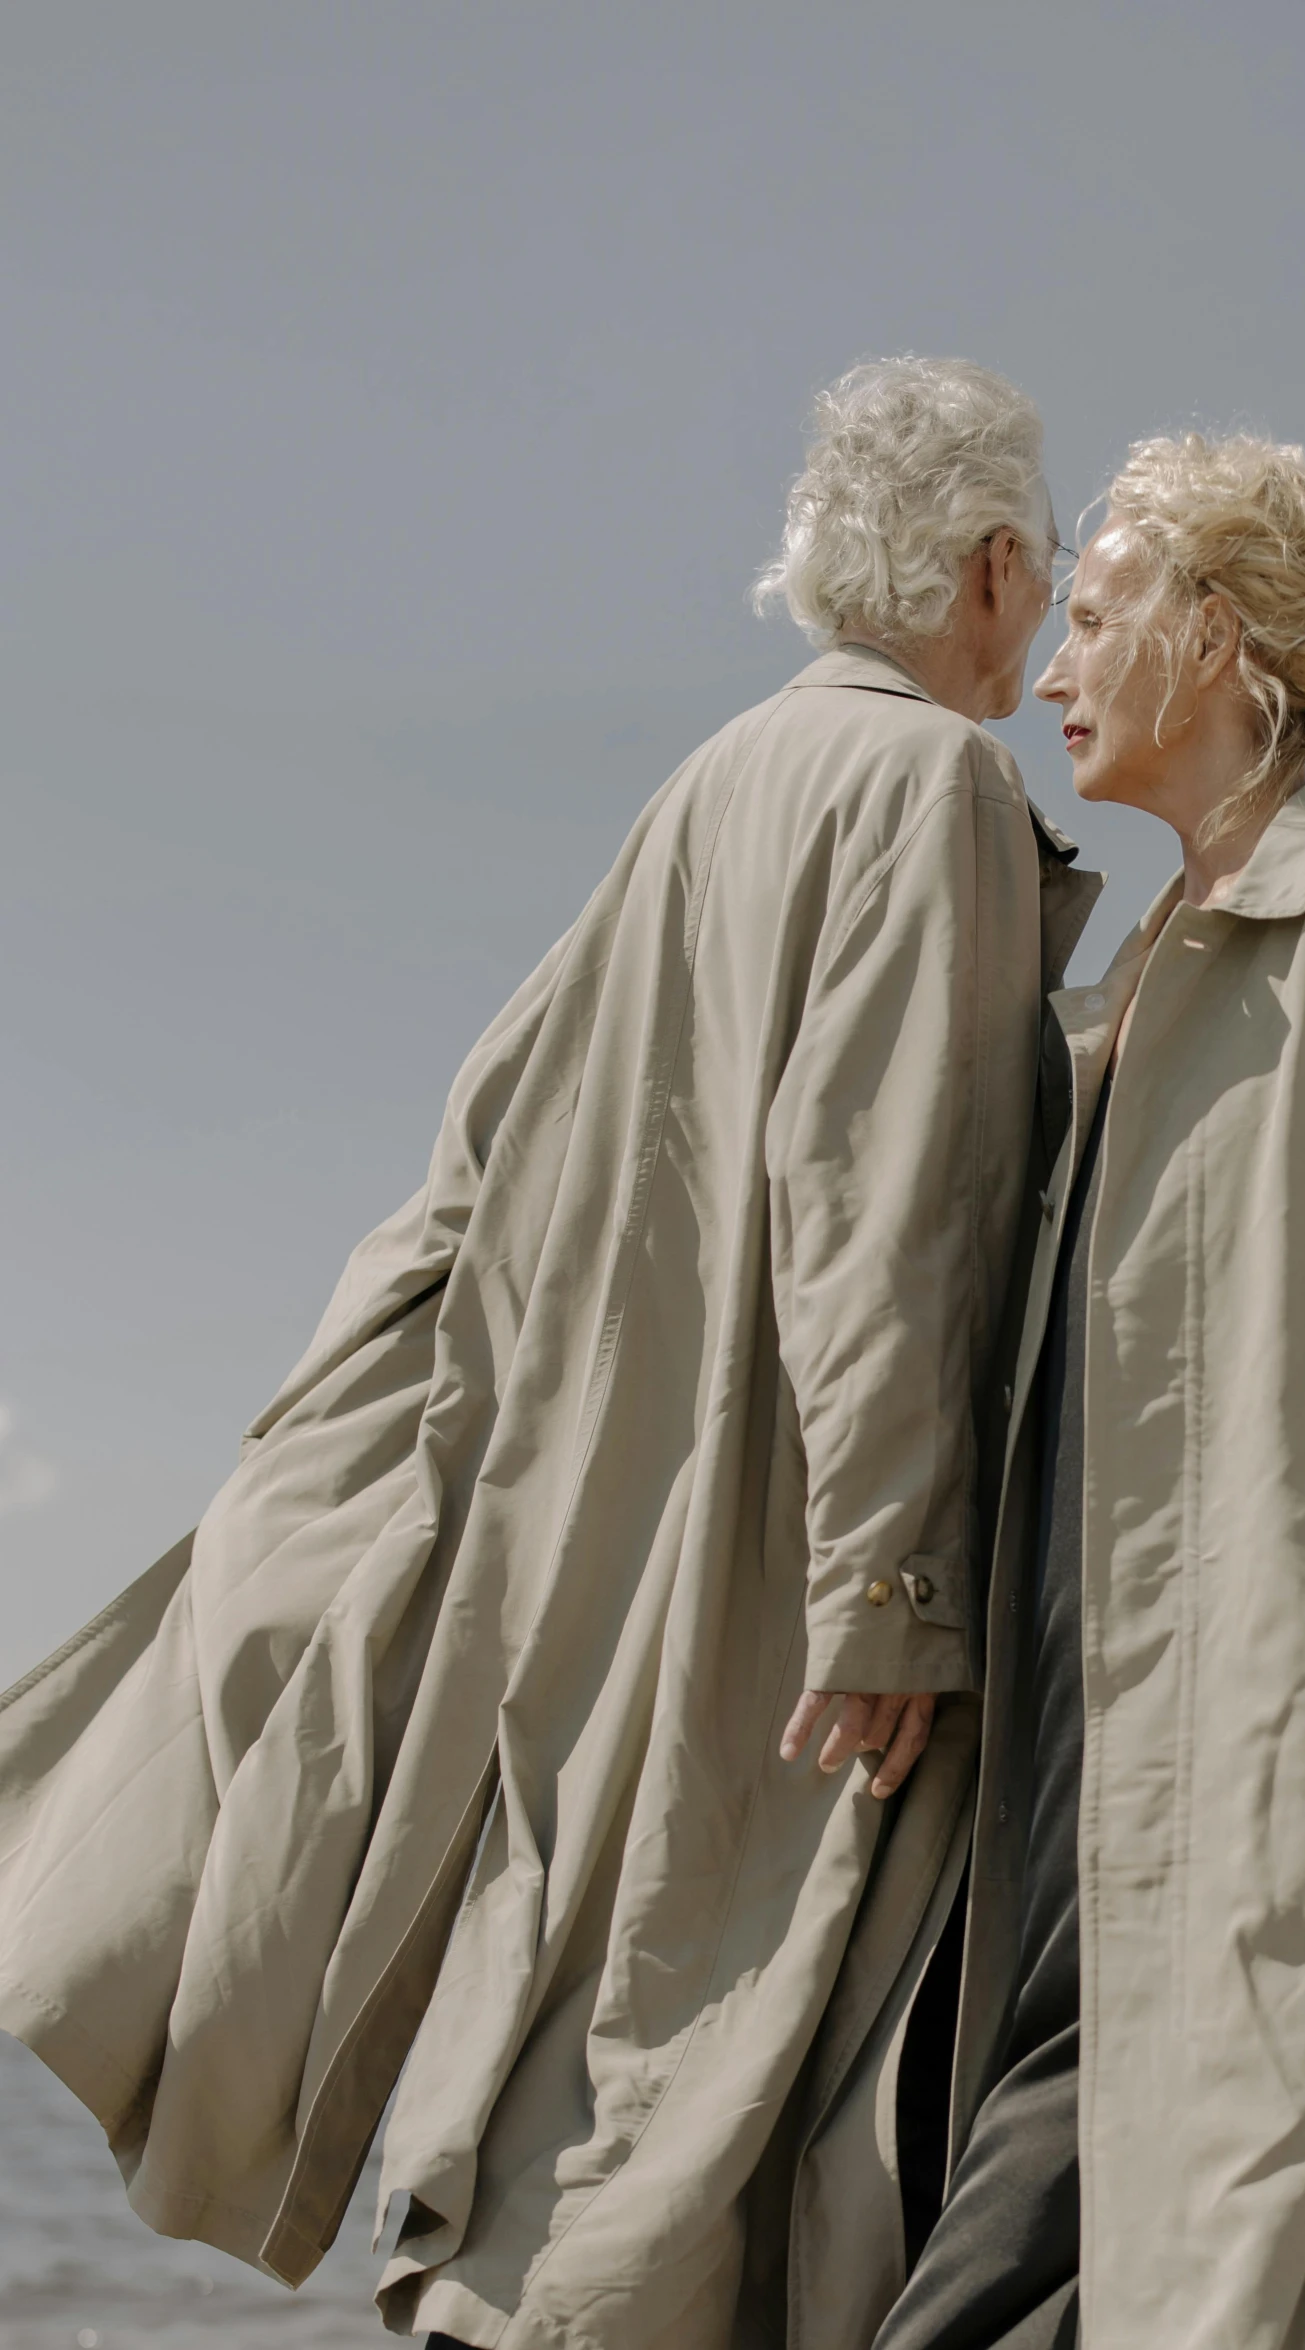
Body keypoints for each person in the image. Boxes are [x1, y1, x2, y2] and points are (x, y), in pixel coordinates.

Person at [0, 357, 1103, 2348]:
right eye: (1050, 570)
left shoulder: (708, 781)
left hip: (604, 1502)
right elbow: (875, 1201)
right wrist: (886, 1578)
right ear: (998, 564)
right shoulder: (931, 780)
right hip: (782, 1534)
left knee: (596, 2004)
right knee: (744, 2039)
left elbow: (489, 1128)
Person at [874, 434, 1305, 2350]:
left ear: (1220, 630)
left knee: (1231, 2147)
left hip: (1274, 1664)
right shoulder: (1095, 990)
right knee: (1193, 2146)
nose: (1063, 669)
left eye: (1098, 617)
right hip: (1067, 1667)